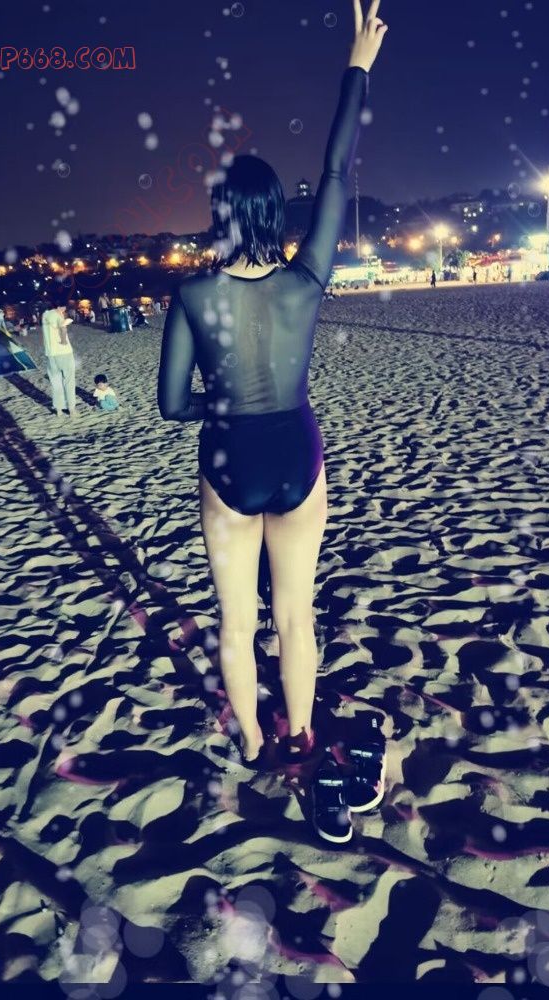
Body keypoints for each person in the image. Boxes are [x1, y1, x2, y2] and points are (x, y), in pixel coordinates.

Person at [157, 0, 388, 765]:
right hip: (296, 452)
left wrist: (219, 405)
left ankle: (254, 744)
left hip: (228, 456)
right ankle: (300, 730)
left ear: (220, 213)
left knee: (235, 621)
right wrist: (356, 68)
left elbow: (169, 404)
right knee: (295, 614)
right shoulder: (305, 278)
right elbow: (336, 169)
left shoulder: (193, 294)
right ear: (272, 212)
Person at [42, 298, 76, 417]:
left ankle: (59, 410)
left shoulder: (45, 315)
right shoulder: (58, 315)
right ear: (62, 306)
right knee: (69, 381)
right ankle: (71, 409)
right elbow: (63, 328)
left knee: (55, 382)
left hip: (50, 354)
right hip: (64, 352)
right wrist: (63, 341)